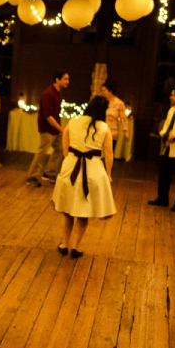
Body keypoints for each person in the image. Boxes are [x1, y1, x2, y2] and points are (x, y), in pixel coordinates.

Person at [52, 95, 116, 257]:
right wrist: (108, 174)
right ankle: (75, 247)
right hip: (93, 170)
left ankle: (64, 244)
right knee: (83, 211)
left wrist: (69, 160)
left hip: (71, 167)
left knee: (68, 211)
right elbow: (108, 153)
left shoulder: (73, 122)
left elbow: (65, 145)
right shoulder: (104, 127)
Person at [26, 71, 69, 187]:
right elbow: (48, 116)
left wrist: (59, 129)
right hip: (47, 129)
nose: (67, 82)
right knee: (42, 152)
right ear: (57, 79)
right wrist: (61, 129)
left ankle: (50, 172)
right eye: (65, 79)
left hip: (54, 128)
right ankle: (32, 176)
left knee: (60, 149)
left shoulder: (58, 92)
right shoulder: (48, 94)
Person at [100, 79, 128, 145]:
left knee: (109, 153)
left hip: (112, 133)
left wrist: (126, 132)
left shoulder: (119, 103)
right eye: (102, 91)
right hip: (101, 132)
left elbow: (123, 118)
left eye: (104, 90)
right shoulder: (101, 102)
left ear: (110, 91)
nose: (102, 92)